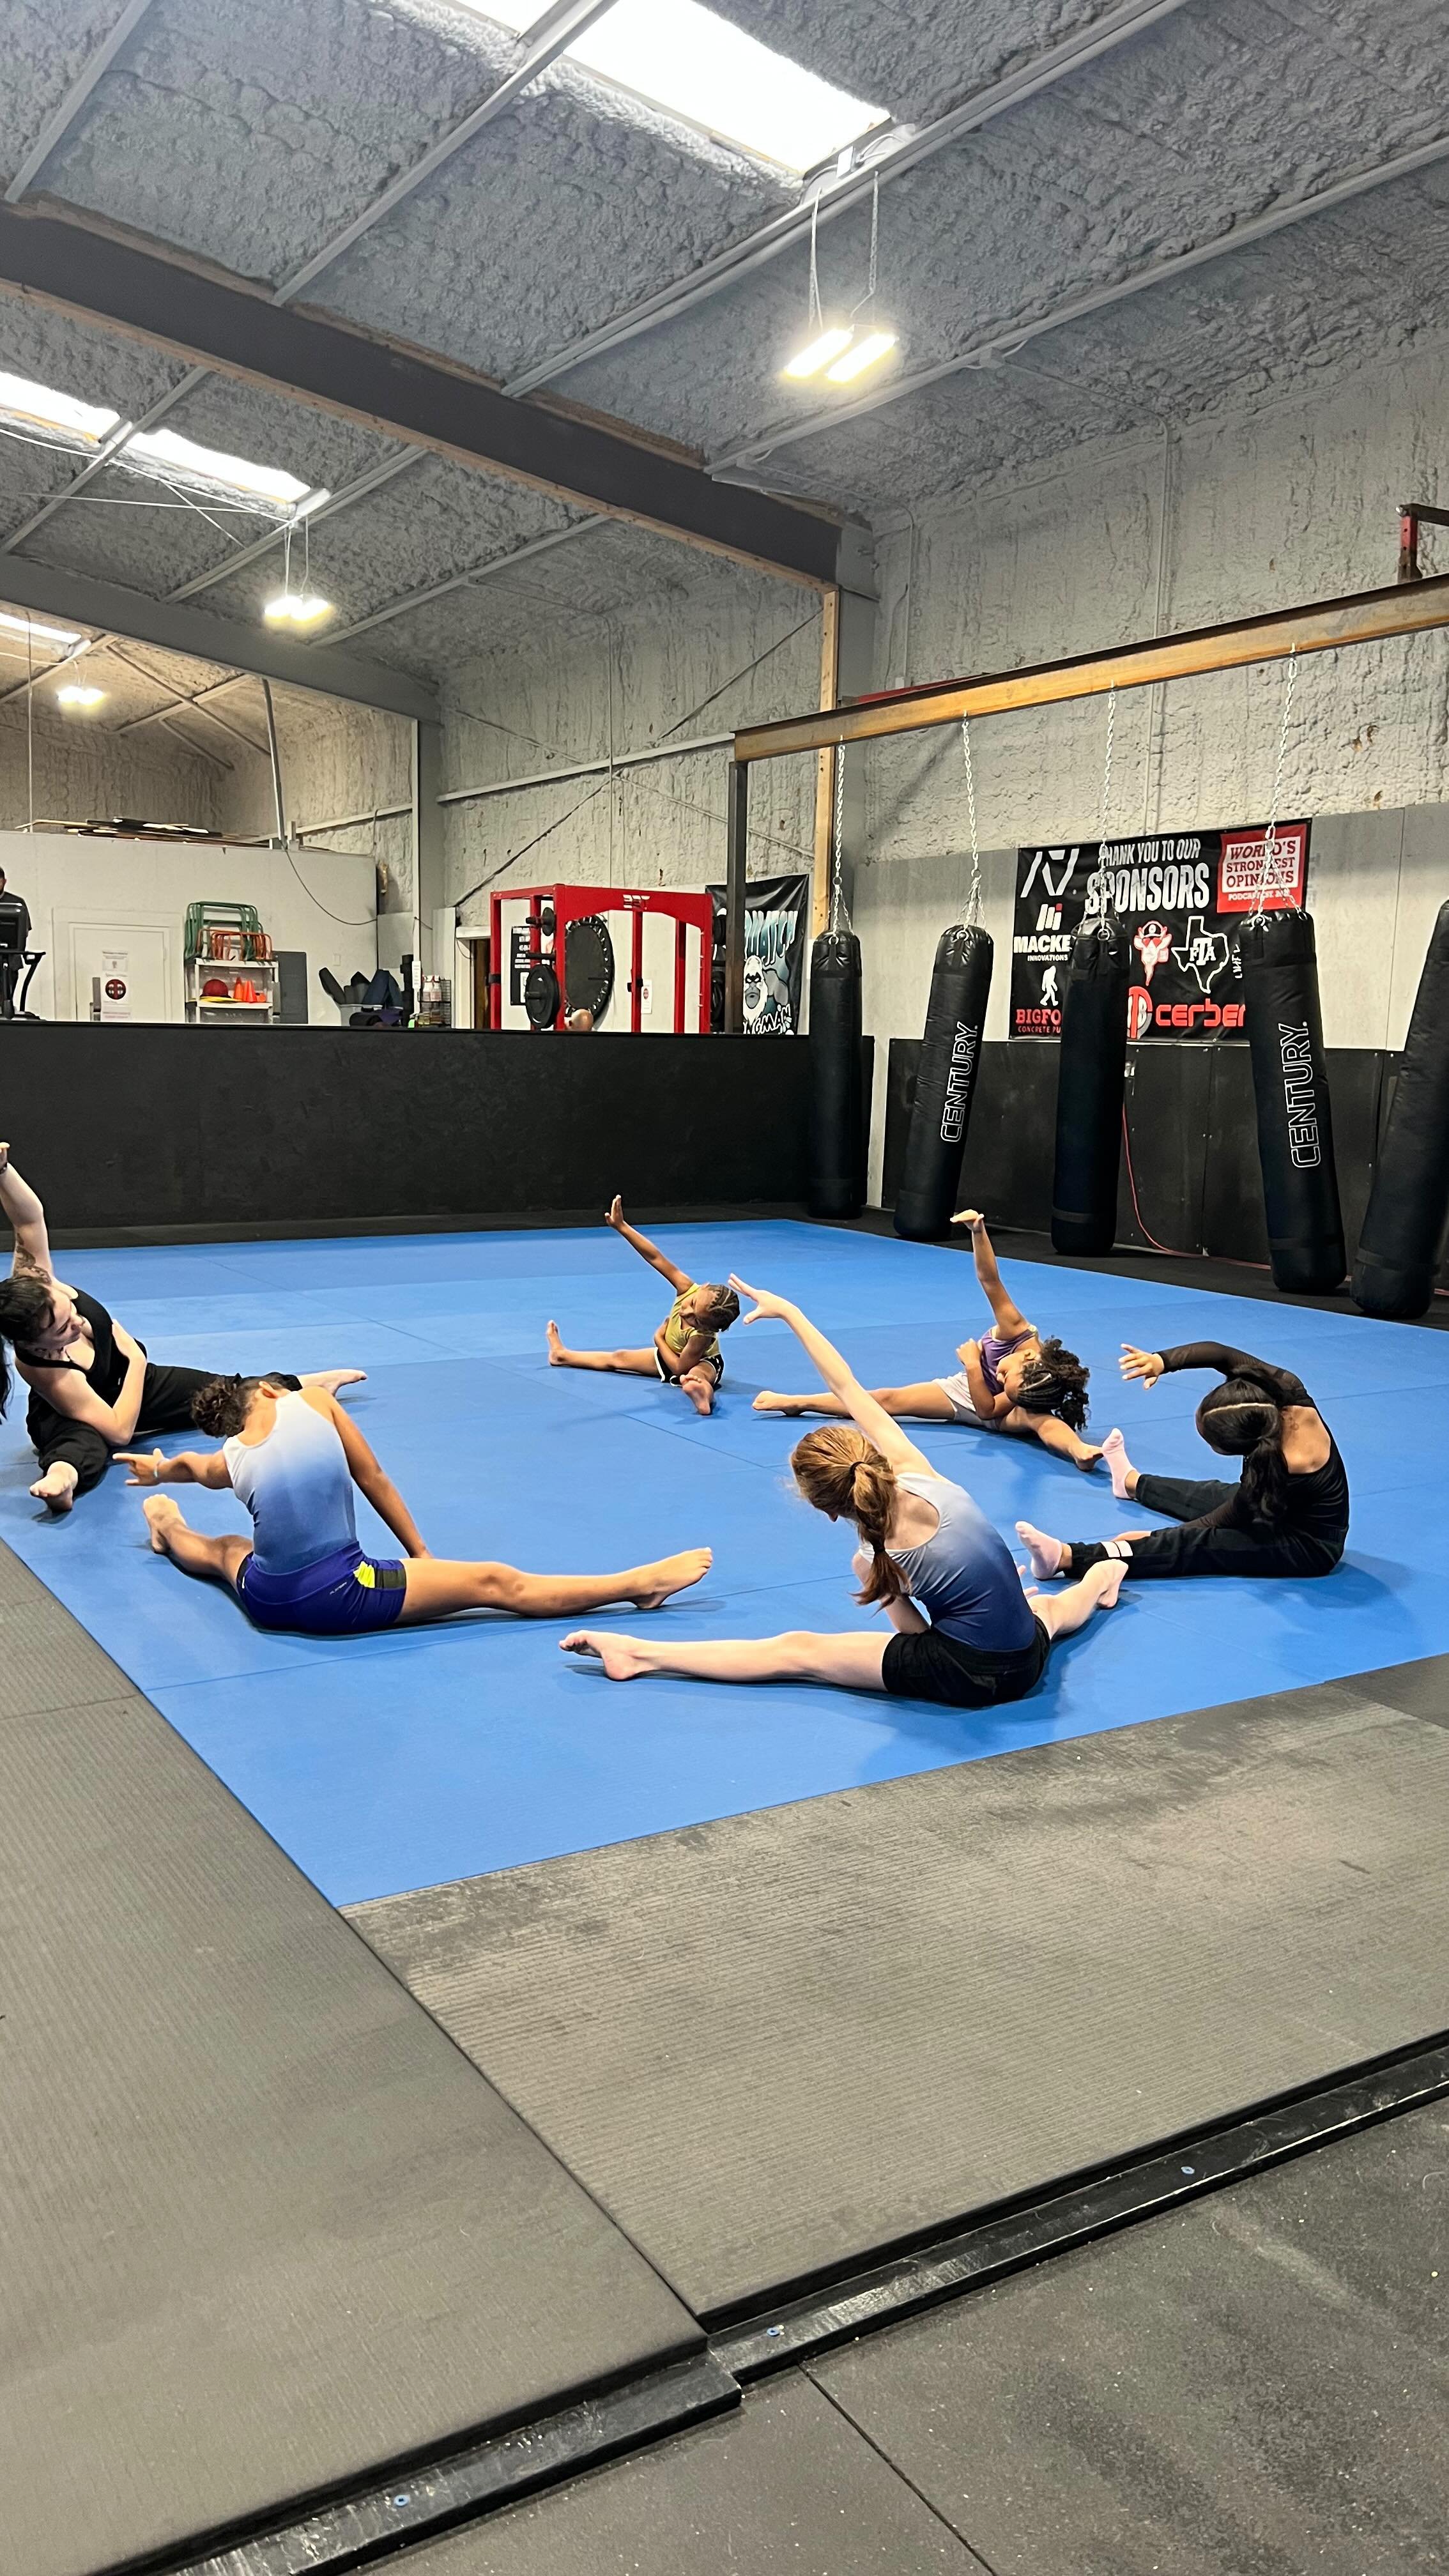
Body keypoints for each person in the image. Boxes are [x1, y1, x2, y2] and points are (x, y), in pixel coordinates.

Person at [562, 1276, 1124, 1701]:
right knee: (1046, 1611)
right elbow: (848, 1387)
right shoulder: (922, 1474)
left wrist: (898, 1598)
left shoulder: (874, 1559)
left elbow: (915, 1640)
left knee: (798, 1651)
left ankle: (639, 1654)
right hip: (1027, 1658)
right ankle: (1101, 1575)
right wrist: (790, 1312)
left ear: (830, 1511)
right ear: (869, 1454)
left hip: (968, 1676)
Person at [124, 1376, 710, 1636]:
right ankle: (636, 1586)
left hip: (268, 1601)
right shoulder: (315, 1402)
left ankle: (164, 1523)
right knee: (495, 1582)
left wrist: (158, 1470)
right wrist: (421, 1555)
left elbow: (192, 1467)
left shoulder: (229, 1456)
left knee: (227, 1550)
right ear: (275, 1390)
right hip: (341, 1595)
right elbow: (373, 1477)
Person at [0, 1143, 363, 1514]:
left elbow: (29, 1220)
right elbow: (120, 1431)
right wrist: (136, 1362)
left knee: (220, 1391)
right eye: (64, 1328)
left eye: (72, 1311)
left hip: (136, 1382)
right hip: (83, 1410)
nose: (79, 1320)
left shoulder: (35, 1284)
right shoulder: (48, 1372)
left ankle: (305, 1384)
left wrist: (3, 1170)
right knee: (82, 1443)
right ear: (36, 1344)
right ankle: (63, 1479)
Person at [753, 1209, 1100, 1469]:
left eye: (1004, 1381)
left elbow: (986, 1410)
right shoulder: (1016, 1330)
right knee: (886, 1399)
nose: (1000, 1374)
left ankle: (1077, 1450)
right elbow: (990, 1280)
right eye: (1005, 1374)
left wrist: (973, 1366)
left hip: (994, 1410)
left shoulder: (1023, 1393)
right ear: (1028, 1358)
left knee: (1042, 1422)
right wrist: (978, 1232)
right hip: (963, 1391)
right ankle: (798, 1402)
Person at [1016, 1337, 1349, 1584]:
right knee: (1209, 1493)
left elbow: (1229, 1516)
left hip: (1307, 1547)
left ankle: (1066, 1558)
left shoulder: (1283, 1465)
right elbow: (1219, 1353)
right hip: (1285, 1507)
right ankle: (1130, 1482)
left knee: (1199, 1544)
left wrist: (1152, 1538)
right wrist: (1162, 1361)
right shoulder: (1284, 1390)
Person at [546, 1197, 740, 1416]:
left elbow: (680, 1369)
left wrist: (659, 1339)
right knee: (618, 1358)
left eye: (696, 1319)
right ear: (702, 1287)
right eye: (693, 1304)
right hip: (669, 1356)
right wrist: (622, 1227)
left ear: (707, 1328)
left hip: (698, 1362)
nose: (686, 1312)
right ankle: (561, 1355)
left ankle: (703, 1394)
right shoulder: (686, 1287)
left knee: (698, 1374)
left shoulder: (701, 1337)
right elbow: (655, 1257)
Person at [0, 868, 32, 1016]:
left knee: (7, 998)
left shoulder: (16, 903)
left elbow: (24, 932)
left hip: (10, 960)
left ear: (4, 882)